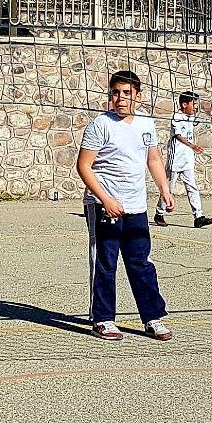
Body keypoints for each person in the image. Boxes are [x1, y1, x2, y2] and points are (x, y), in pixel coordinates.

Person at [77, 69, 174, 341]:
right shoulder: (100, 125)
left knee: (141, 262)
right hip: (103, 205)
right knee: (105, 263)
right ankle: (103, 319)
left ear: (138, 97)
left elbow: (153, 159)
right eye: (115, 93)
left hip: (136, 207)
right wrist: (105, 199)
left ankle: (152, 317)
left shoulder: (146, 124)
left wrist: (164, 189)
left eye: (126, 93)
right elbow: (83, 166)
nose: (120, 99)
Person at [153, 91, 212, 229]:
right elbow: (178, 135)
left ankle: (198, 217)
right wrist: (192, 145)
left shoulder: (191, 117)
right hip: (176, 159)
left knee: (192, 187)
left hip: (187, 159)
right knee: (168, 188)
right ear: (184, 104)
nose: (195, 107)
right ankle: (159, 213)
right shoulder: (177, 117)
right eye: (194, 104)